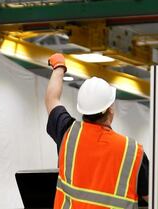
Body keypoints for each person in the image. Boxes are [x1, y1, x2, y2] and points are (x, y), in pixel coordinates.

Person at [45, 53, 149, 208]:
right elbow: (152, 198)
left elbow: (51, 99)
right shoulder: (133, 152)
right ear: (110, 109)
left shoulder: (69, 134)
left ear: (83, 110)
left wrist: (59, 67)